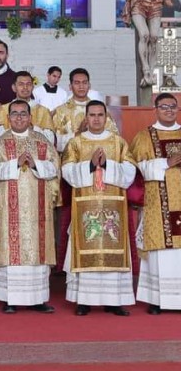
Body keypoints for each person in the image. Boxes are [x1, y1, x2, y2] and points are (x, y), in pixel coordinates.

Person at [62, 100, 137, 316]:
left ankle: (114, 301)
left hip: (114, 207)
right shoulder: (76, 143)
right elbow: (67, 172)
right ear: (86, 118)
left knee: (113, 251)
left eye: (100, 115)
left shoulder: (119, 143)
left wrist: (106, 165)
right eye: (92, 115)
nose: (96, 119)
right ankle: (84, 301)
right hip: (85, 207)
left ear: (106, 117)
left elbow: (130, 172)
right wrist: (88, 164)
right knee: (86, 251)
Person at [0, 100, 61, 314]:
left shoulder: (42, 141)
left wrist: (37, 164)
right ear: (8, 118)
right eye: (15, 114)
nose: (19, 118)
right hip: (9, 209)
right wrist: (15, 164)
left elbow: (56, 168)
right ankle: (9, 298)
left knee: (37, 250)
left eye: (23, 114)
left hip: (38, 208)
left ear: (30, 118)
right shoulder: (0, 143)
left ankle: (38, 298)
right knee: (12, 250)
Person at [52, 68, 120, 267]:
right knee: (70, 217)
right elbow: (54, 142)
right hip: (75, 173)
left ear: (89, 84)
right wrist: (77, 134)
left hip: (103, 176)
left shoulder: (102, 111)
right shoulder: (61, 111)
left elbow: (115, 140)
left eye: (84, 82)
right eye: (77, 82)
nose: (81, 86)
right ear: (70, 85)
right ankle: (66, 258)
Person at [129, 93, 181, 314]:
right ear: (155, 109)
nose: (168, 110)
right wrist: (165, 163)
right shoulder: (144, 137)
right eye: (164, 106)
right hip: (157, 202)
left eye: (172, 106)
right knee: (160, 251)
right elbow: (137, 170)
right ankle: (156, 299)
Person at [0, 71, 55, 144]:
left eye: (28, 84)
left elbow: (50, 140)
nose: (25, 87)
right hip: (10, 152)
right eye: (21, 84)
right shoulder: (3, 110)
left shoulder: (43, 111)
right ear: (14, 87)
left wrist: (33, 128)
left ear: (32, 87)